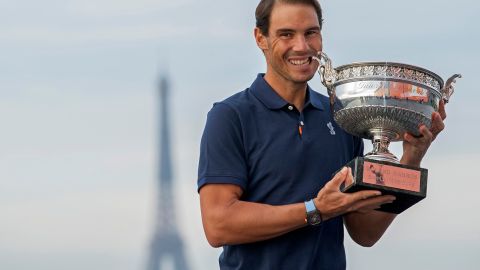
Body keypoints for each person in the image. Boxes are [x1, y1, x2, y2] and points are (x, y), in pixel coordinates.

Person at [197, 0, 446, 269]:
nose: (302, 46)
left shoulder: (341, 116)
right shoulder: (230, 117)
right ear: (261, 38)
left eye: (310, 33)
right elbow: (218, 225)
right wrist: (316, 210)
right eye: (286, 34)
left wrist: (411, 158)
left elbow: (365, 232)